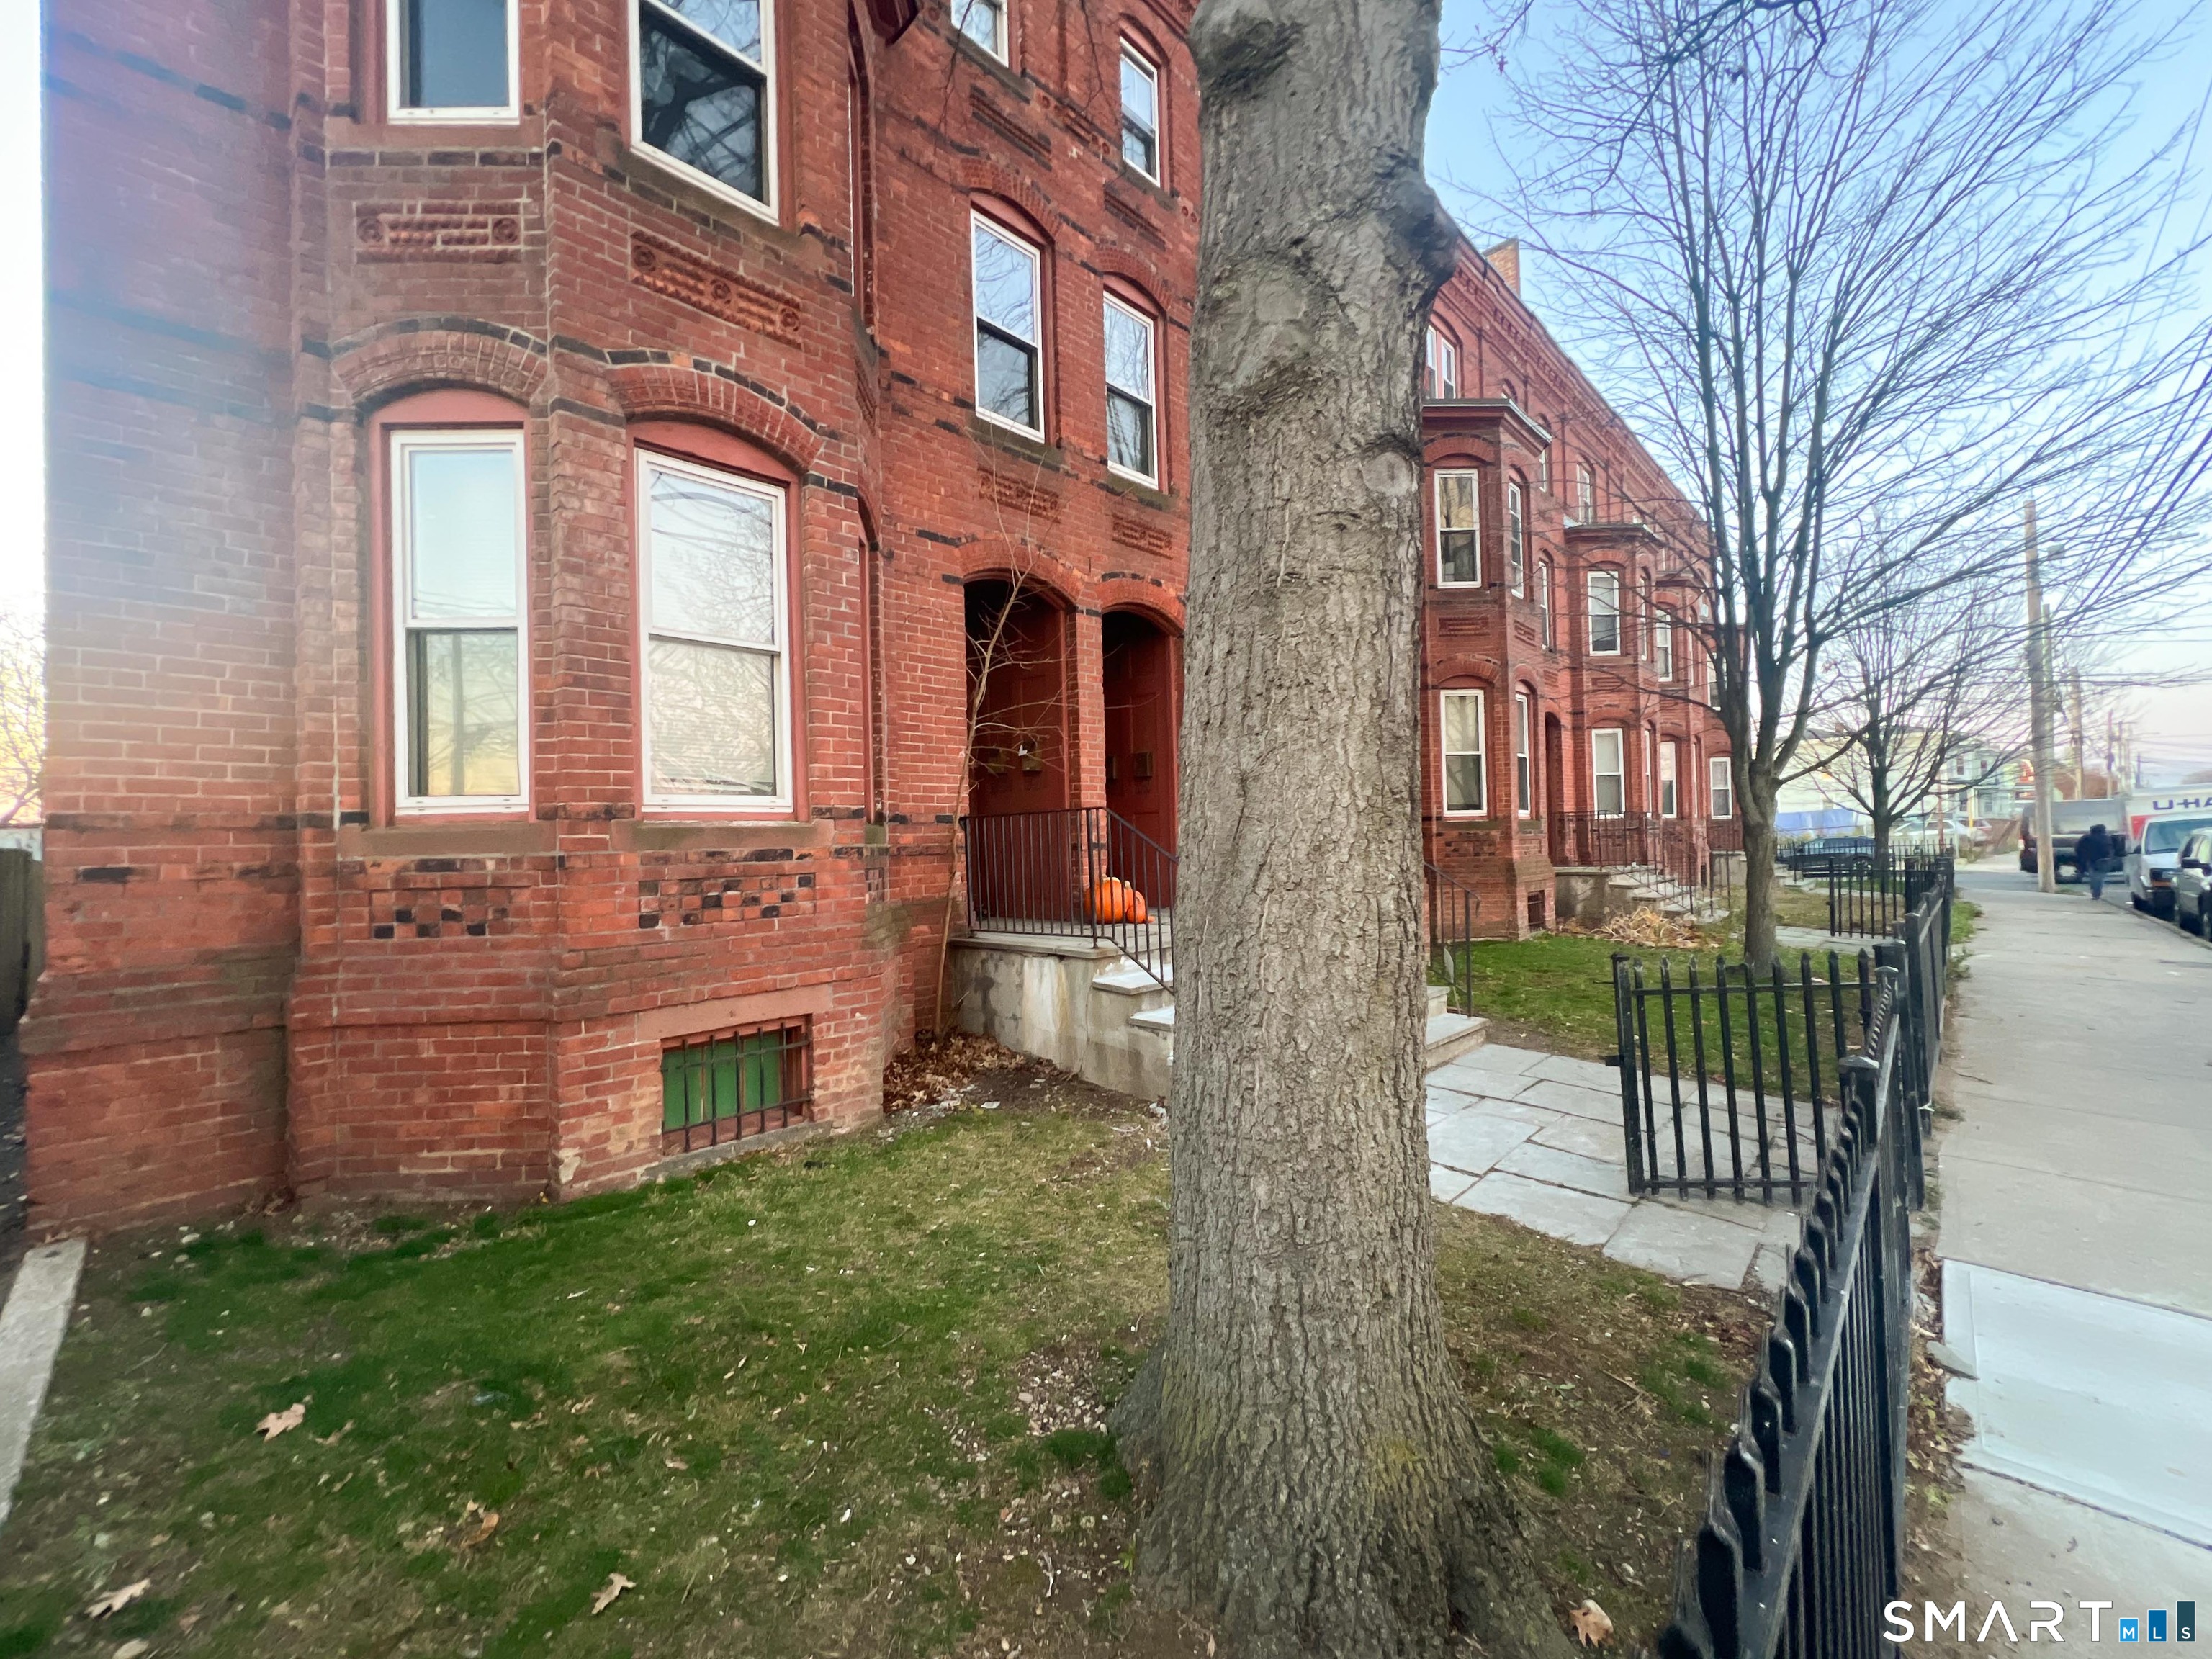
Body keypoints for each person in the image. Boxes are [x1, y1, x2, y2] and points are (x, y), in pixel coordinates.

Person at [2076, 822, 2114, 901]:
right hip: (2104, 860)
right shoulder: (2107, 838)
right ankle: (2097, 893)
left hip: (2091, 860)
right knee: (2101, 877)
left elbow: (2078, 848)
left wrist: (2083, 858)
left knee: (2093, 877)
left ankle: (2095, 892)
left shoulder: (2086, 838)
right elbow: (2112, 848)